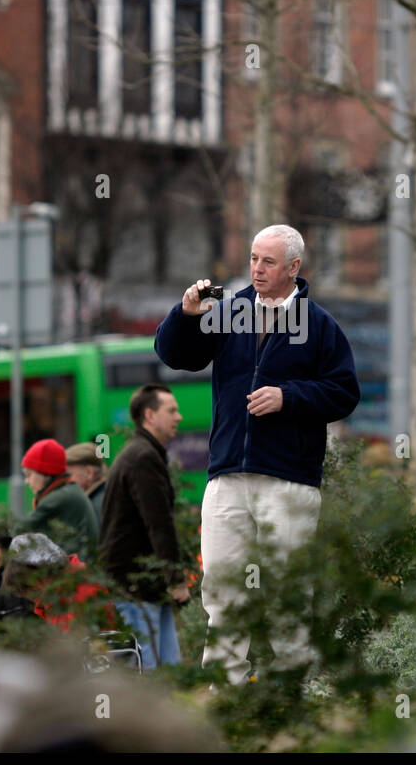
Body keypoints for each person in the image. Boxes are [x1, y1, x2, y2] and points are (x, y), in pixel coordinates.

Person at [155, 224, 361, 685]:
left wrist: (288, 397)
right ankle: (221, 700)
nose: (256, 269)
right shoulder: (230, 313)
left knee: (288, 598)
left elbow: (344, 393)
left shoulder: (321, 325)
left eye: (268, 261)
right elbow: (175, 356)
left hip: (288, 481)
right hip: (226, 476)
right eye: (252, 258)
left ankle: (296, 700)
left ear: (293, 267)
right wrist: (185, 314)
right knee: (223, 595)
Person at [98, 384, 188, 670]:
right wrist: (176, 578)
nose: (179, 417)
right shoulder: (143, 457)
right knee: (150, 668)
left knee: (164, 667)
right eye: (171, 411)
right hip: (136, 583)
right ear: (150, 415)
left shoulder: (140, 452)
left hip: (140, 582)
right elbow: (159, 523)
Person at [16, 439, 98, 563]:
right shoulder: (68, 490)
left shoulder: (58, 498)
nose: (27, 481)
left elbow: (19, 530)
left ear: (45, 473)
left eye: (29, 475)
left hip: (78, 575)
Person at [65, 442, 107, 528]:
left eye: (69, 475)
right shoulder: (108, 495)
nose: (66, 481)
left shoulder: (94, 508)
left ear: (89, 473)